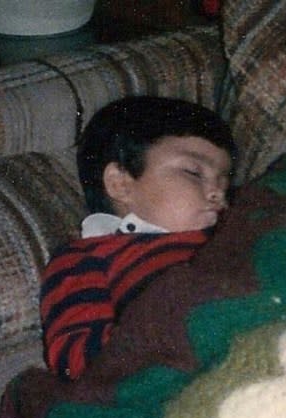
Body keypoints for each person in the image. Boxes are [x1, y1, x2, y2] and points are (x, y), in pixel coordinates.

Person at [40, 95, 236, 380]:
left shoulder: (234, 229)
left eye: (224, 183)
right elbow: (75, 357)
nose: (218, 193)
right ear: (121, 184)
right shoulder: (87, 257)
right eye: (194, 173)